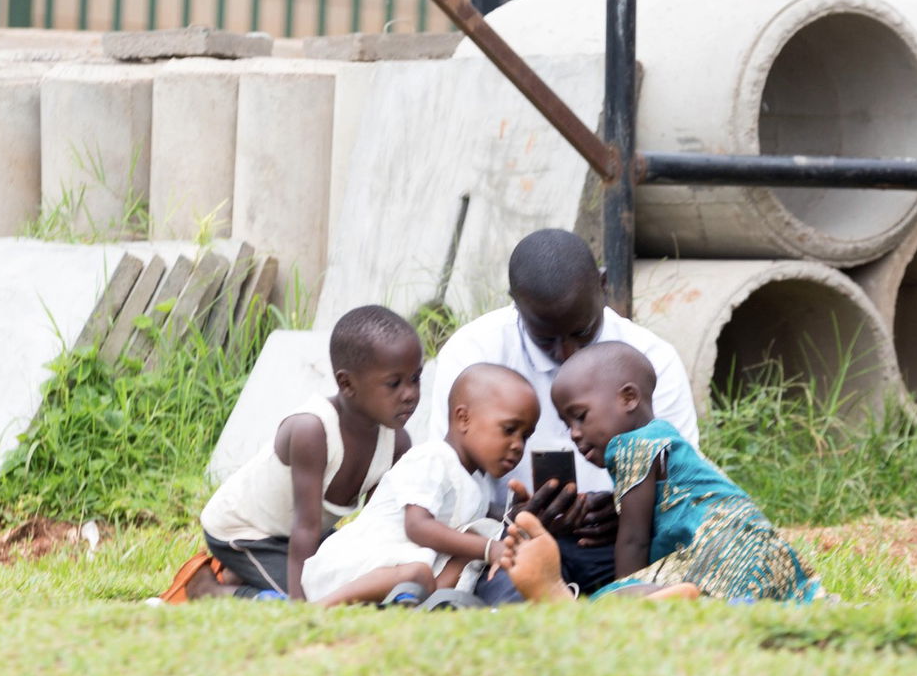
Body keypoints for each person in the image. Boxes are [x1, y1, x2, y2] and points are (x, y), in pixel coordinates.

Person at [429, 228, 698, 598]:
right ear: (515, 304)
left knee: (683, 583)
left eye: (582, 331)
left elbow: (682, 485)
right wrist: (513, 518)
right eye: (546, 339)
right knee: (504, 601)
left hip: (622, 543)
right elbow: (447, 484)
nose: (566, 353)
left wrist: (628, 510)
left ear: (603, 284)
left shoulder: (651, 360)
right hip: (513, 541)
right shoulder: (474, 354)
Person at [502, 341, 822, 604]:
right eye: (567, 424)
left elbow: (633, 541)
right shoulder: (664, 437)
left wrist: (621, 590)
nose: (573, 433)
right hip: (760, 550)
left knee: (612, 598)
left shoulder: (631, 446)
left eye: (580, 417)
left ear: (628, 398)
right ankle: (683, 603)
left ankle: (627, 608)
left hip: (717, 548)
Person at [164, 306, 421, 603]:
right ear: (347, 384)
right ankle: (209, 589)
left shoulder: (397, 443)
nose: (410, 393)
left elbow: (375, 526)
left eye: (416, 378)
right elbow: (305, 527)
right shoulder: (312, 431)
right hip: (245, 530)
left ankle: (243, 572)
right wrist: (304, 604)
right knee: (323, 592)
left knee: (352, 580)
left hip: (296, 535)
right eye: (394, 383)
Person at [301, 363, 541, 606]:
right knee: (421, 572)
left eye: (525, 436)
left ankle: (418, 607)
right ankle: (320, 608)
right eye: (509, 429)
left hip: (407, 573)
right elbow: (417, 526)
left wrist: (515, 522)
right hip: (357, 564)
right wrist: (490, 548)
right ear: (463, 418)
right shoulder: (433, 458)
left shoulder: (477, 484)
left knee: (467, 550)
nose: (517, 445)